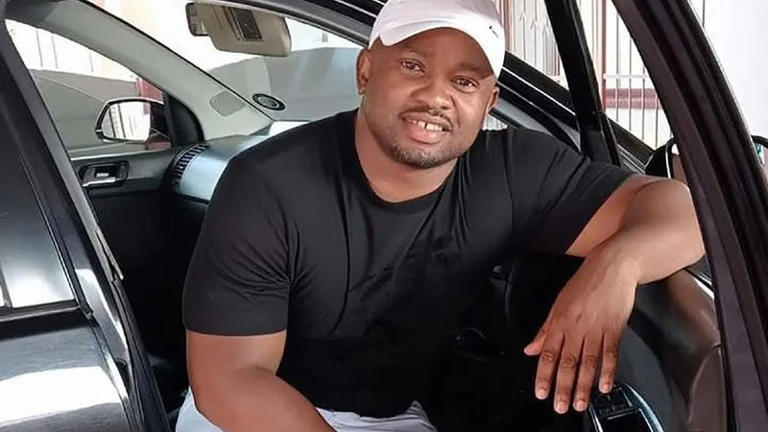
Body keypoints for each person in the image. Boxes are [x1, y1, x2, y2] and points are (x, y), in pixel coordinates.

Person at [176, 0, 704, 430]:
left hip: (391, 415)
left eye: (465, 82)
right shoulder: (269, 185)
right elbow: (231, 381)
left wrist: (617, 266)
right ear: (365, 70)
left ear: (489, 99)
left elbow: (686, 210)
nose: (436, 97)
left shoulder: (512, 170)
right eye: (413, 65)